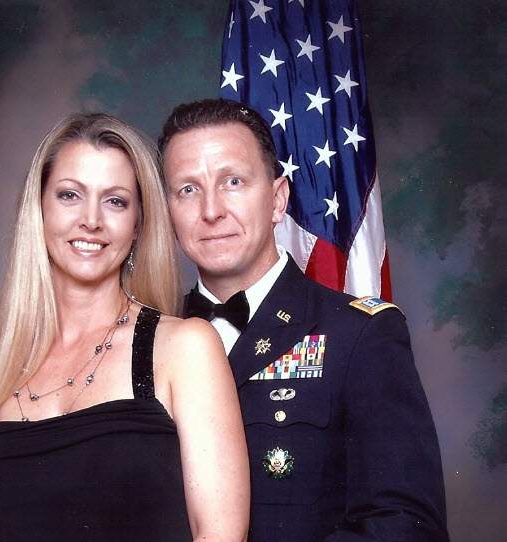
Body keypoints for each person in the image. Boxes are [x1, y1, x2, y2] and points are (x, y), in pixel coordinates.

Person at [0, 112, 250, 541]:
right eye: (70, 195)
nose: (91, 220)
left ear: (138, 224)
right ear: (39, 210)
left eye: (115, 201)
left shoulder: (183, 349)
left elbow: (221, 533)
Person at [159, 98, 449, 541]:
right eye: (188, 189)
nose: (211, 210)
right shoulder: (146, 339)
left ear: (278, 200)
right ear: (167, 211)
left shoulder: (359, 335)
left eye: (233, 181)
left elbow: (406, 527)